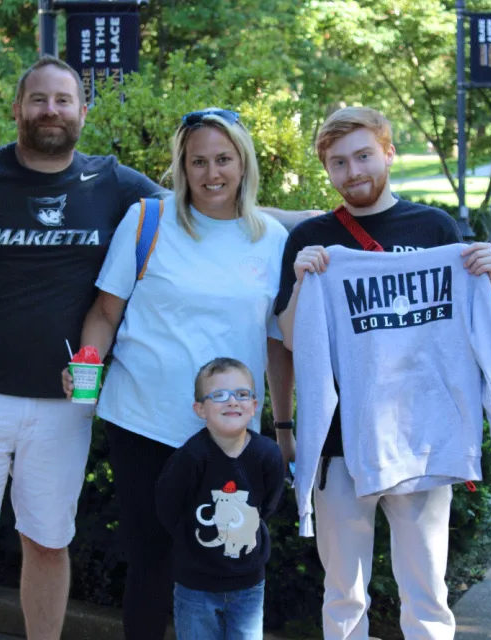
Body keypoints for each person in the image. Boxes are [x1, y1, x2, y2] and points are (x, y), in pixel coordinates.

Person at [0, 55, 309, 639]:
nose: (51, 111)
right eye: (39, 100)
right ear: (17, 109)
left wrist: (327, 225)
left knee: (49, 544)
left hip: (65, 408)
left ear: (84, 111)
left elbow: (212, 209)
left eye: (63, 100)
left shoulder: (113, 184)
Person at [62, 107, 295, 639]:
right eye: (198, 162)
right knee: (152, 566)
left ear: (244, 163)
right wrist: (86, 369)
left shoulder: (273, 241)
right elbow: (104, 313)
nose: (212, 173)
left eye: (223, 159)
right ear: (181, 167)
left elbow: (276, 347)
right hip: (145, 422)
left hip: (230, 436)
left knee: (227, 569)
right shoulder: (148, 220)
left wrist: (280, 429)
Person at [275, 106, 491, 640]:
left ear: (388, 152)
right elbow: (288, 337)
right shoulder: (313, 238)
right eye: (338, 162)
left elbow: (468, 328)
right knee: (344, 597)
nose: (352, 171)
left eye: (362, 155)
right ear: (327, 169)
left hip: (421, 437)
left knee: (427, 594)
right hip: (340, 441)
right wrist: (303, 281)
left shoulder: (435, 228)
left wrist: (485, 279)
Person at [155, 357, 285, 640]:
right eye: (219, 395)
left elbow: (268, 504)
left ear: (254, 406)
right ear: (200, 409)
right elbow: (168, 506)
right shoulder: (191, 457)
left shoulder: (268, 455)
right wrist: (191, 542)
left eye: (241, 394)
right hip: (195, 585)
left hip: (249, 585)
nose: (232, 402)